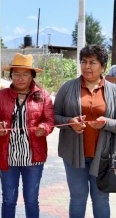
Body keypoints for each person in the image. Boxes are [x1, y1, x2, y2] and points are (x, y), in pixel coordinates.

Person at [0, 53, 55, 218]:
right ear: (10, 75)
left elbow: (50, 121)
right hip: (7, 156)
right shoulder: (0, 96)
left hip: (34, 157)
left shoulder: (43, 96)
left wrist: (44, 128)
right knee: (9, 200)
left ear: (32, 75)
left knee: (31, 200)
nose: (20, 78)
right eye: (16, 74)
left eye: (25, 74)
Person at [54, 45, 116, 218]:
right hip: (73, 155)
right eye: (84, 61)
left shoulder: (113, 91)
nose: (87, 66)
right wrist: (69, 122)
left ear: (103, 66)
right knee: (78, 198)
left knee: (101, 198)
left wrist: (107, 123)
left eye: (92, 62)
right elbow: (53, 117)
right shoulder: (67, 88)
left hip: (103, 156)